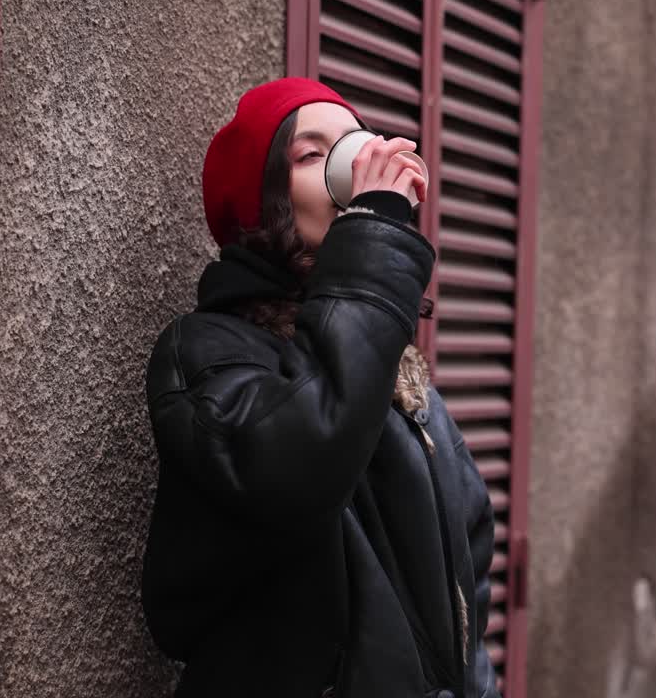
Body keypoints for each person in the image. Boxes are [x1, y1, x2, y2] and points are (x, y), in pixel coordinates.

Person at [142, 77, 499, 698]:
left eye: (354, 146)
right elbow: (303, 458)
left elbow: (466, 587)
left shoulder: (403, 382)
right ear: (263, 203)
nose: (351, 169)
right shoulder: (205, 353)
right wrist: (374, 238)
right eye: (312, 156)